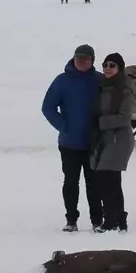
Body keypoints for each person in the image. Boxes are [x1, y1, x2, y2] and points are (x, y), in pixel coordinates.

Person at [42, 45, 103, 232]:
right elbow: (48, 107)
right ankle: (71, 220)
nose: (82, 61)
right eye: (78, 58)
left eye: (85, 58)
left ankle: (97, 220)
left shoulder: (100, 80)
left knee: (94, 183)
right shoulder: (62, 81)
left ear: (92, 60)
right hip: (69, 144)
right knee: (70, 182)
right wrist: (64, 126)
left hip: (94, 142)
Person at [90, 53, 136, 232]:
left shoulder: (124, 89)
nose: (108, 68)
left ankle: (111, 220)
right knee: (111, 181)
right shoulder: (103, 86)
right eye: (105, 65)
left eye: (112, 65)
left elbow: (125, 118)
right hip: (106, 139)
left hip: (119, 139)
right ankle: (119, 220)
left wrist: (101, 122)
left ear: (120, 68)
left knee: (107, 180)